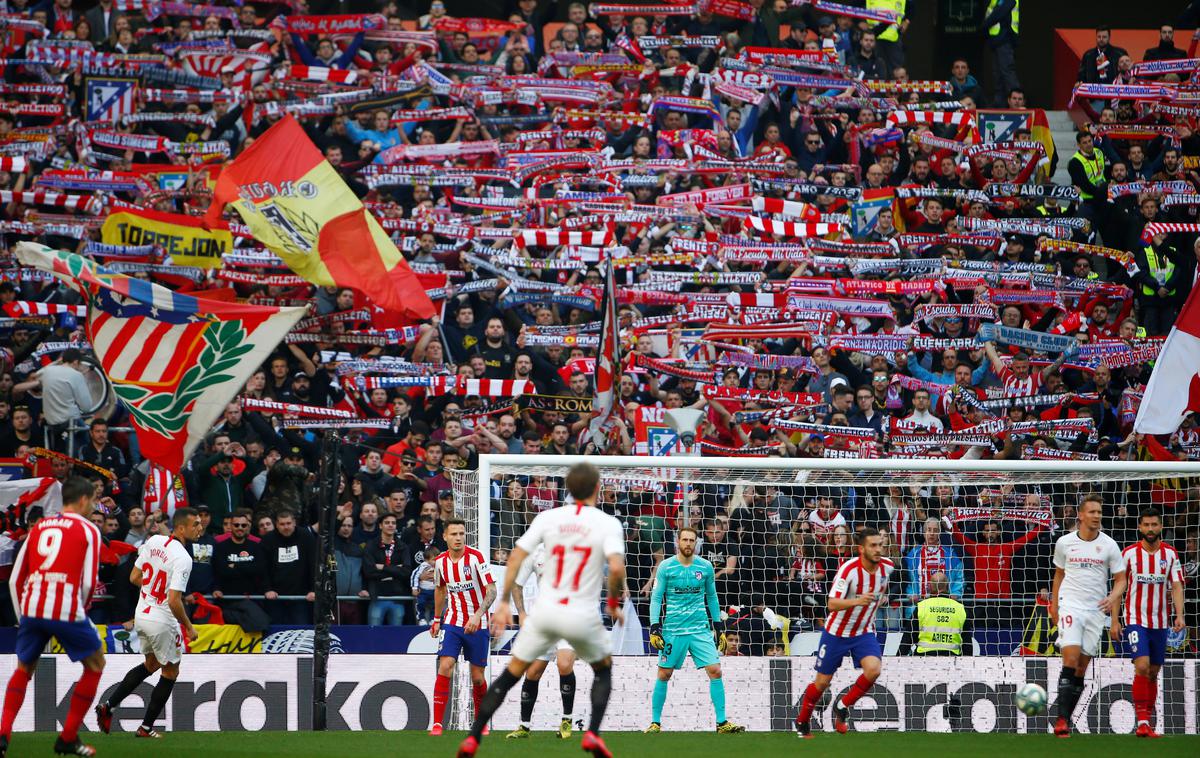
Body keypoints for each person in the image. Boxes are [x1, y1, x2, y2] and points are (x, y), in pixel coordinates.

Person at [457, 463, 625, 758]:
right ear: (597, 489)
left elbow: (516, 556)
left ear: (568, 489)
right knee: (603, 670)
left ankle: (473, 738)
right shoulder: (607, 523)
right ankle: (593, 735)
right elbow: (615, 567)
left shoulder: (548, 519)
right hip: (580, 614)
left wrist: (504, 603)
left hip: (545, 614)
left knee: (511, 674)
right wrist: (612, 603)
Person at [0, 477, 105, 757]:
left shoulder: (40, 527)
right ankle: (67, 738)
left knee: (24, 669)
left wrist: (24, 616)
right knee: (95, 664)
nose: (93, 506)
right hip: (66, 608)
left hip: (32, 608)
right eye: (93, 501)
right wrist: (79, 611)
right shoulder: (89, 529)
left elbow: (14, 580)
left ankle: (2, 735)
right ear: (83, 499)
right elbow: (87, 583)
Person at [95, 508, 203, 739]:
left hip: (142, 614)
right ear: (181, 528)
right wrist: (189, 627)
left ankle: (108, 706)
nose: (200, 528)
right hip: (162, 619)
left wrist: (153, 585)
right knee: (171, 671)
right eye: (195, 524)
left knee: (151, 664)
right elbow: (174, 601)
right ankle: (146, 727)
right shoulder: (183, 558)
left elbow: (134, 577)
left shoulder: (154, 541)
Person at [794, 527, 893, 738]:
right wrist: (858, 600)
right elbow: (831, 604)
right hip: (836, 632)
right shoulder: (848, 571)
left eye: (880, 545)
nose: (878, 550)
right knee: (821, 683)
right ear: (861, 549)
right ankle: (802, 721)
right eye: (873, 546)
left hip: (863, 632)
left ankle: (843, 705)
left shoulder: (888, 567)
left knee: (874, 669)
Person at [644, 526, 744, 734]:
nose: (688, 544)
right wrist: (655, 627)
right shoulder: (666, 567)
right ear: (678, 543)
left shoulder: (705, 567)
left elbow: (712, 597)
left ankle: (722, 723)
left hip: (700, 629)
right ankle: (655, 723)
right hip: (673, 629)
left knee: (715, 670)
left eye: (692, 540)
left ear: (696, 543)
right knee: (664, 673)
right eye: (685, 540)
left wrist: (718, 627)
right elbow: (656, 597)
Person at [1049, 493, 1126, 738]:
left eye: (1099, 513)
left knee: (1081, 669)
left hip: (1095, 612)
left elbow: (1121, 580)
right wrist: (1054, 605)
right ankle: (1061, 720)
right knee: (1070, 661)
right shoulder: (1064, 543)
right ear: (1081, 515)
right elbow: (1059, 575)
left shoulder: (1110, 545)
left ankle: (1066, 718)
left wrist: (1113, 602)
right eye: (1092, 512)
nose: (1096, 516)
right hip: (1070, 605)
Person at [1111, 506, 1186, 739]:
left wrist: (1180, 614)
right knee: (1142, 665)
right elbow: (1119, 588)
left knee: (1153, 672)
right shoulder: (1129, 554)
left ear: (1160, 526)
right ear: (1140, 527)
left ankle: (1147, 722)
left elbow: (1176, 586)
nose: (1150, 529)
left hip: (1160, 622)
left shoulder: (1171, 554)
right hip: (1135, 620)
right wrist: (1115, 620)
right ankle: (1142, 722)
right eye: (1146, 524)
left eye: (1154, 524)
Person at [505, 544, 580, 740]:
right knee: (532, 672)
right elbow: (516, 583)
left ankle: (567, 721)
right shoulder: (535, 552)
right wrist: (521, 613)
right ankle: (524, 725)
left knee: (564, 664)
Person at [431, 518, 496, 737]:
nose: (458, 538)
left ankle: (480, 722)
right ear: (445, 537)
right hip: (452, 621)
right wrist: (436, 618)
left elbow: (492, 590)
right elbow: (440, 590)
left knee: (477, 677)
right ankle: (437, 724)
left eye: (461, 533)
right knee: (446, 664)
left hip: (479, 623)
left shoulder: (476, 558)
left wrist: (478, 615)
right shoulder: (440, 561)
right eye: (454, 534)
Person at [913, 571, 967, 655]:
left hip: (924, 658)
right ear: (947, 586)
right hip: (952, 657)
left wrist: (897, 660)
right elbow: (967, 642)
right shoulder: (960, 608)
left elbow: (908, 638)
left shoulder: (921, 607)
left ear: (930, 587)